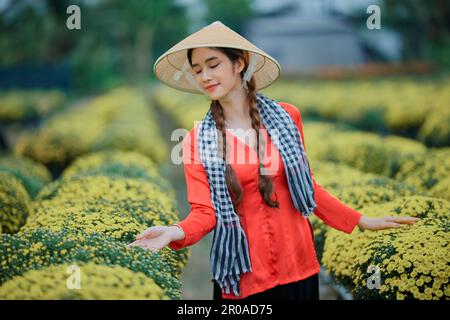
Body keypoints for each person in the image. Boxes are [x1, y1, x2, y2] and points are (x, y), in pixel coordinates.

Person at [128, 21, 419, 300]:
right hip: (243, 276)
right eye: (197, 70)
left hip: (299, 267)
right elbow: (205, 213)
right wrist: (172, 232)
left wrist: (360, 220)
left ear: (239, 63)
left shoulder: (287, 117)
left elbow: (307, 188)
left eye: (213, 64)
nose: (205, 76)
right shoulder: (195, 140)